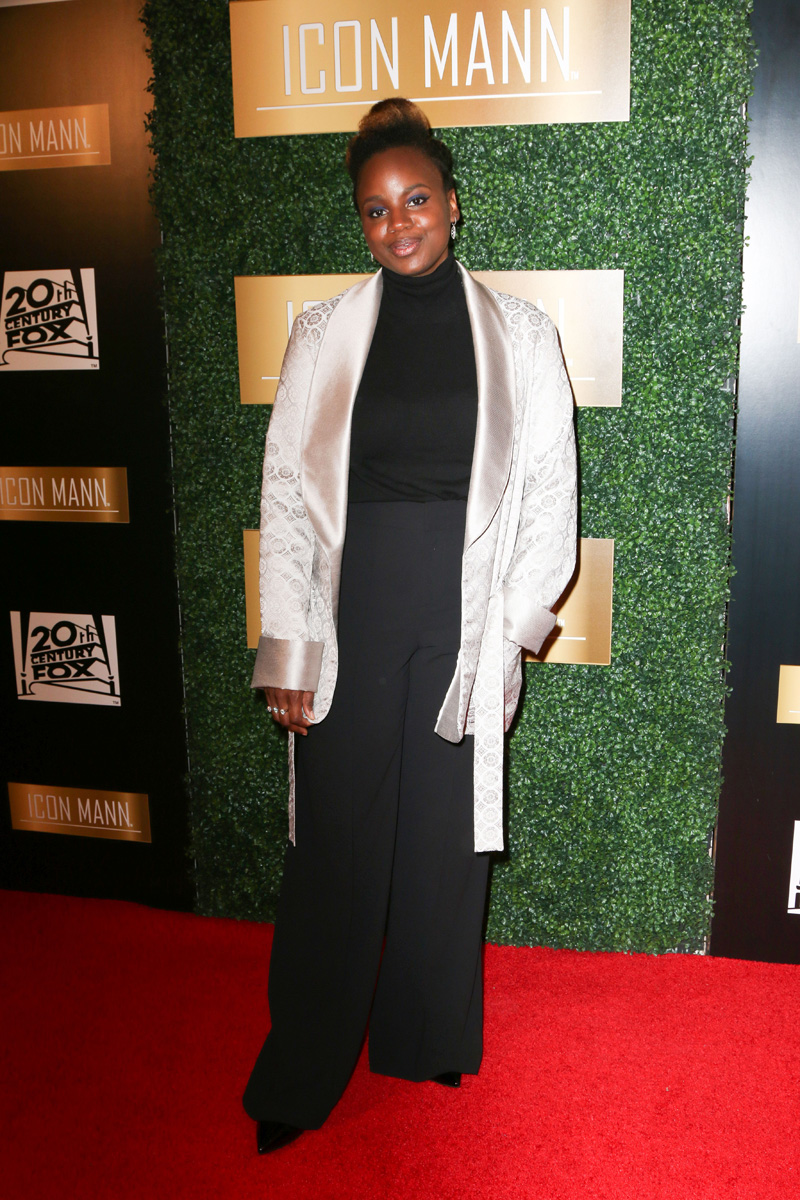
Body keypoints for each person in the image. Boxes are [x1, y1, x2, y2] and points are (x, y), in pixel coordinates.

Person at [243, 98, 577, 1154]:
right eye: (376, 209)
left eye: (416, 199)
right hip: (349, 616)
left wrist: (509, 635)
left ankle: (424, 1033)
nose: (398, 224)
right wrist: (288, 646)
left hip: (466, 619)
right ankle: (302, 1066)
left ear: (453, 204)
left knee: (443, 843)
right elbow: (286, 496)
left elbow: (549, 499)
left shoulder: (522, 334)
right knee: (333, 850)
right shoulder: (321, 334)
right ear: (362, 221)